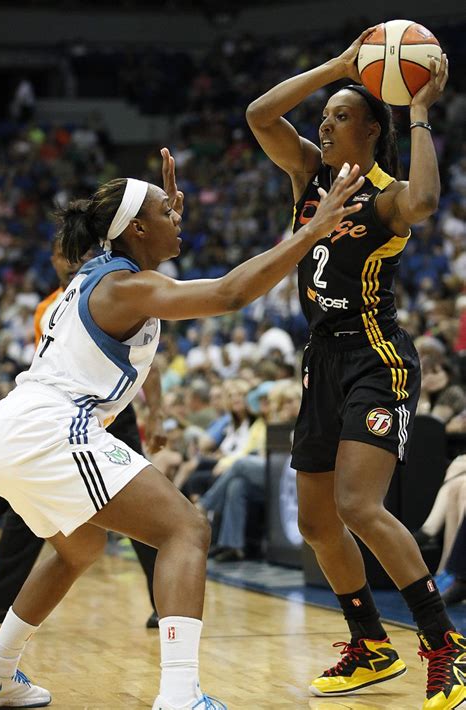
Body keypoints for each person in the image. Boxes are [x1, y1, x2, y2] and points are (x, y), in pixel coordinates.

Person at [0, 147, 364, 709]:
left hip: (17, 426)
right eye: (167, 212)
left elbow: (145, 253)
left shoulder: (108, 274)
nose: (178, 218)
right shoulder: (125, 288)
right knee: (186, 529)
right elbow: (231, 294)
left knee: (80, 546)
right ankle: (180, 694)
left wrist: (160, 217)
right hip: (52, 426)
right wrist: (313, 228)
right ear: (136, 228)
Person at [247, 26, 465, 710]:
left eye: (342, 114)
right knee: (316, 523)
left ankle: (442, 651)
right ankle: (369, 644)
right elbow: (259, 115)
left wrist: (420, 109)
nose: (325, 122)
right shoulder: (309, 175)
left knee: (357, 505)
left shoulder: (387, 196)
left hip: (376, 354)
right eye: (325, 116)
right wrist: (339, 67)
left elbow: (427, 203)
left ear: (373, 127)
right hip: (321, 356)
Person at [0, 237, 162, 630]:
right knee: (34, 516)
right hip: (65, 412)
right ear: (53, 259)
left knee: (149, 511)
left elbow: (149, 361)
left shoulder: (112, 289)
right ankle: (2, 600)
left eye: (78, 255)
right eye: (63, 254)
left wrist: (156, 413)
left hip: (111, 407)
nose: (70, 260)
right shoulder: (49, 307)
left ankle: (163, 598)